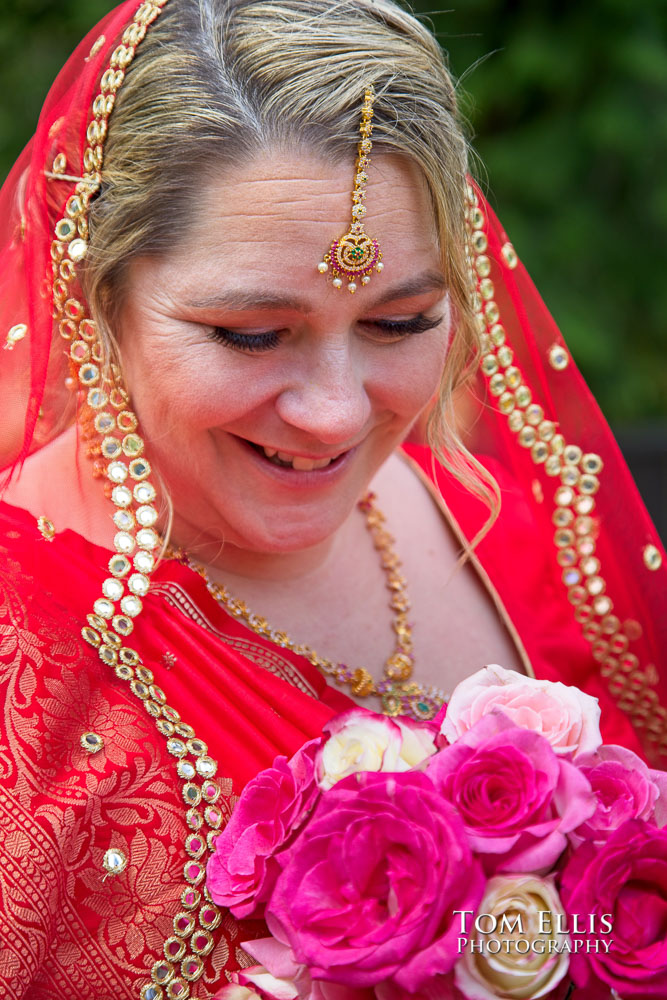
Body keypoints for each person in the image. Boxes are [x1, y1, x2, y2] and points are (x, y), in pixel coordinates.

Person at [0, 0, 664, 996]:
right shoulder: (29, 668)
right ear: (91, 292)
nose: (333, 412)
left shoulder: (516, 515)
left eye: (400, 322)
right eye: (254, 335)